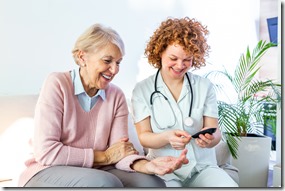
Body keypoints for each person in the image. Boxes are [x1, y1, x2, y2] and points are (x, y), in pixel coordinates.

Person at [17, 23, 189, 188]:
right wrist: (105, 156)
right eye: (107, 61)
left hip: (96, 171)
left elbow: (119, 152)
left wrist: (147, 166)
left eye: (118, 62)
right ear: (82, 57)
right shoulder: (57, 83)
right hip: (47, 170)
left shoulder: (116, 96)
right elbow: (47, 152)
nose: (114, 70)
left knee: (151, 184)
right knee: (105, 183)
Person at [131, 17, 239, 187]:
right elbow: (143, 136)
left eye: (187, 59)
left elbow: (215, 131)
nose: (180, 65)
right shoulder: (142, 90)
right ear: (160, 52)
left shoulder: (204, 86)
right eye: (173, 58)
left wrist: (211, 139)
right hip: (165, 169)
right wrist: (166, 137)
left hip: (203, 168)